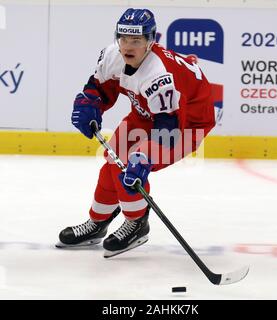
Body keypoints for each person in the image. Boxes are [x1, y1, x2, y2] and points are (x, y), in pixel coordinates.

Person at [56, 8, 215, 258]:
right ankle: (97, 222)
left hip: (186, 123)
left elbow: (168, 128)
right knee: (112, 162)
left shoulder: (159, 75)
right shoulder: (113, 54)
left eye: (136, 40)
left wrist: (145, 158)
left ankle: (137, 224)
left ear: (150, 41)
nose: (128, 46)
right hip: (146, 114)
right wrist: (88, 102)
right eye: (124, 39)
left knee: (132, 167)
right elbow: (99, 87)